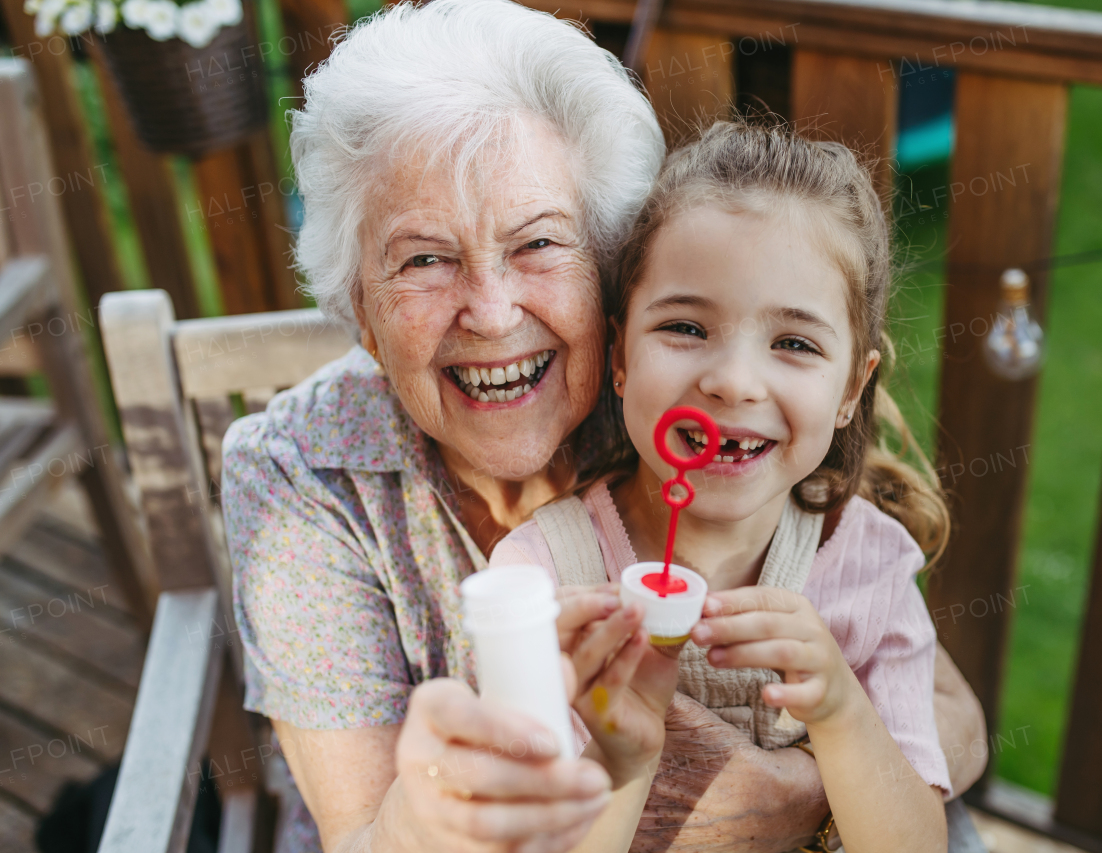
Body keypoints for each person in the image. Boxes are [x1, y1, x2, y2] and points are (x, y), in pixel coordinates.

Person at [221, 2, 988, 851]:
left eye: (538, 243)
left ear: (612, 270)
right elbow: (368, 834)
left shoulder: (703, 414)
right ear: (361, 312)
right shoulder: (299, 477)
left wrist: (800, 793)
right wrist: (435, 814)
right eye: (424, 259)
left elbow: (940, 707)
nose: (491, 310)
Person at [491, 121, 951, 852]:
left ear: (848, 391)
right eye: (685, 327)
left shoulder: (871, 562)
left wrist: (839, 711)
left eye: (794, 343)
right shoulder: (543, 580)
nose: (733, 381)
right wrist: (621, 757)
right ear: (619, 357)